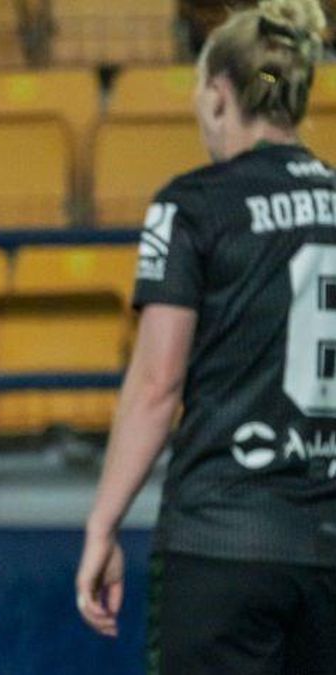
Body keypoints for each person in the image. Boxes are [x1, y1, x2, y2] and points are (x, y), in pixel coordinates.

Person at [75, 2, 336, 673]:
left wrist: (103, 522)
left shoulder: (191, 204)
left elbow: (157, 386)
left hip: (221, 539)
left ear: (220, 95)